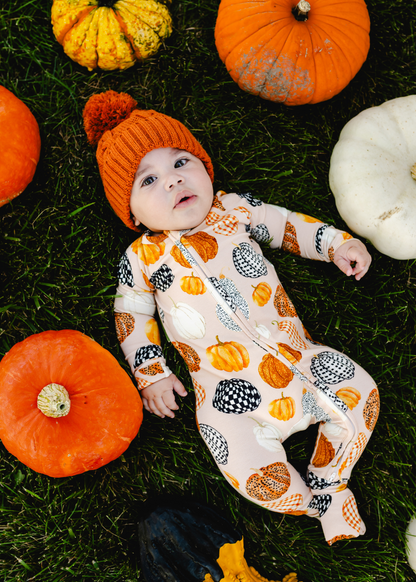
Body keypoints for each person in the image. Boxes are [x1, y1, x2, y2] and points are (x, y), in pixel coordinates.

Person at [83, 90, 380, 546]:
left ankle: (327, 477)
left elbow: (286, 225)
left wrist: (336, 243)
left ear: (205, 168)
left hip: (302, 363)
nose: (172, 182)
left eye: (182, 163)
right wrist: (151, 374)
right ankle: (314, 502)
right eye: (148, 181)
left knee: (361, 395)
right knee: (246, 470)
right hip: (226, 401)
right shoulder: (141, 257)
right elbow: (131, 314)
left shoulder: (235, 210)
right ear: (132, 216)